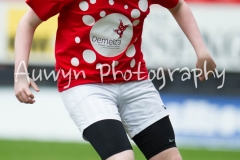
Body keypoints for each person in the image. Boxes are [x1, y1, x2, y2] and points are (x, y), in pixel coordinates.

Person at [14, 0, 216, 160]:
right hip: (84, 84)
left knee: (169, 157)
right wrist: (20, 74)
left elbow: (178, 5)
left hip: (134, 81)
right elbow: (28, 22)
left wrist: (202, 51)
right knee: (122, 158)